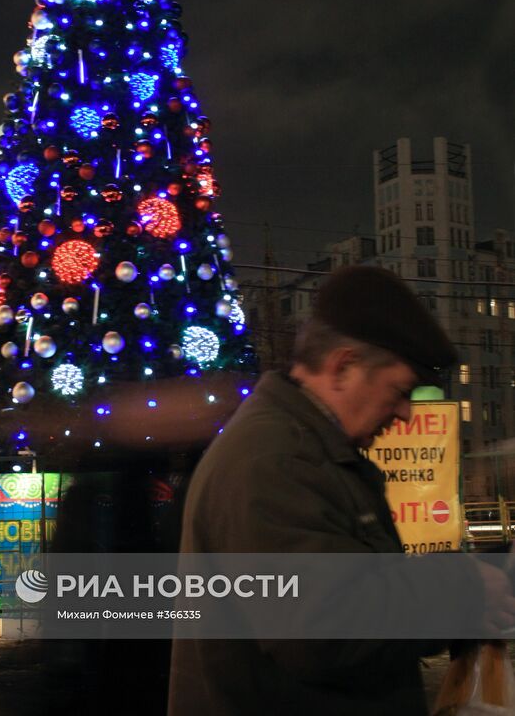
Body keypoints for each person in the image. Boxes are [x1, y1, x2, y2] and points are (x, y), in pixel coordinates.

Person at [168, 265, 515, 716]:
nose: (406, 414)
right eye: (399, 390)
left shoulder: (307, 447)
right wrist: (466, 590)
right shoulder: (277, 459)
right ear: (343, 366)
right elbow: (322, 626)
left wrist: (480, 579)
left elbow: (353, 581)